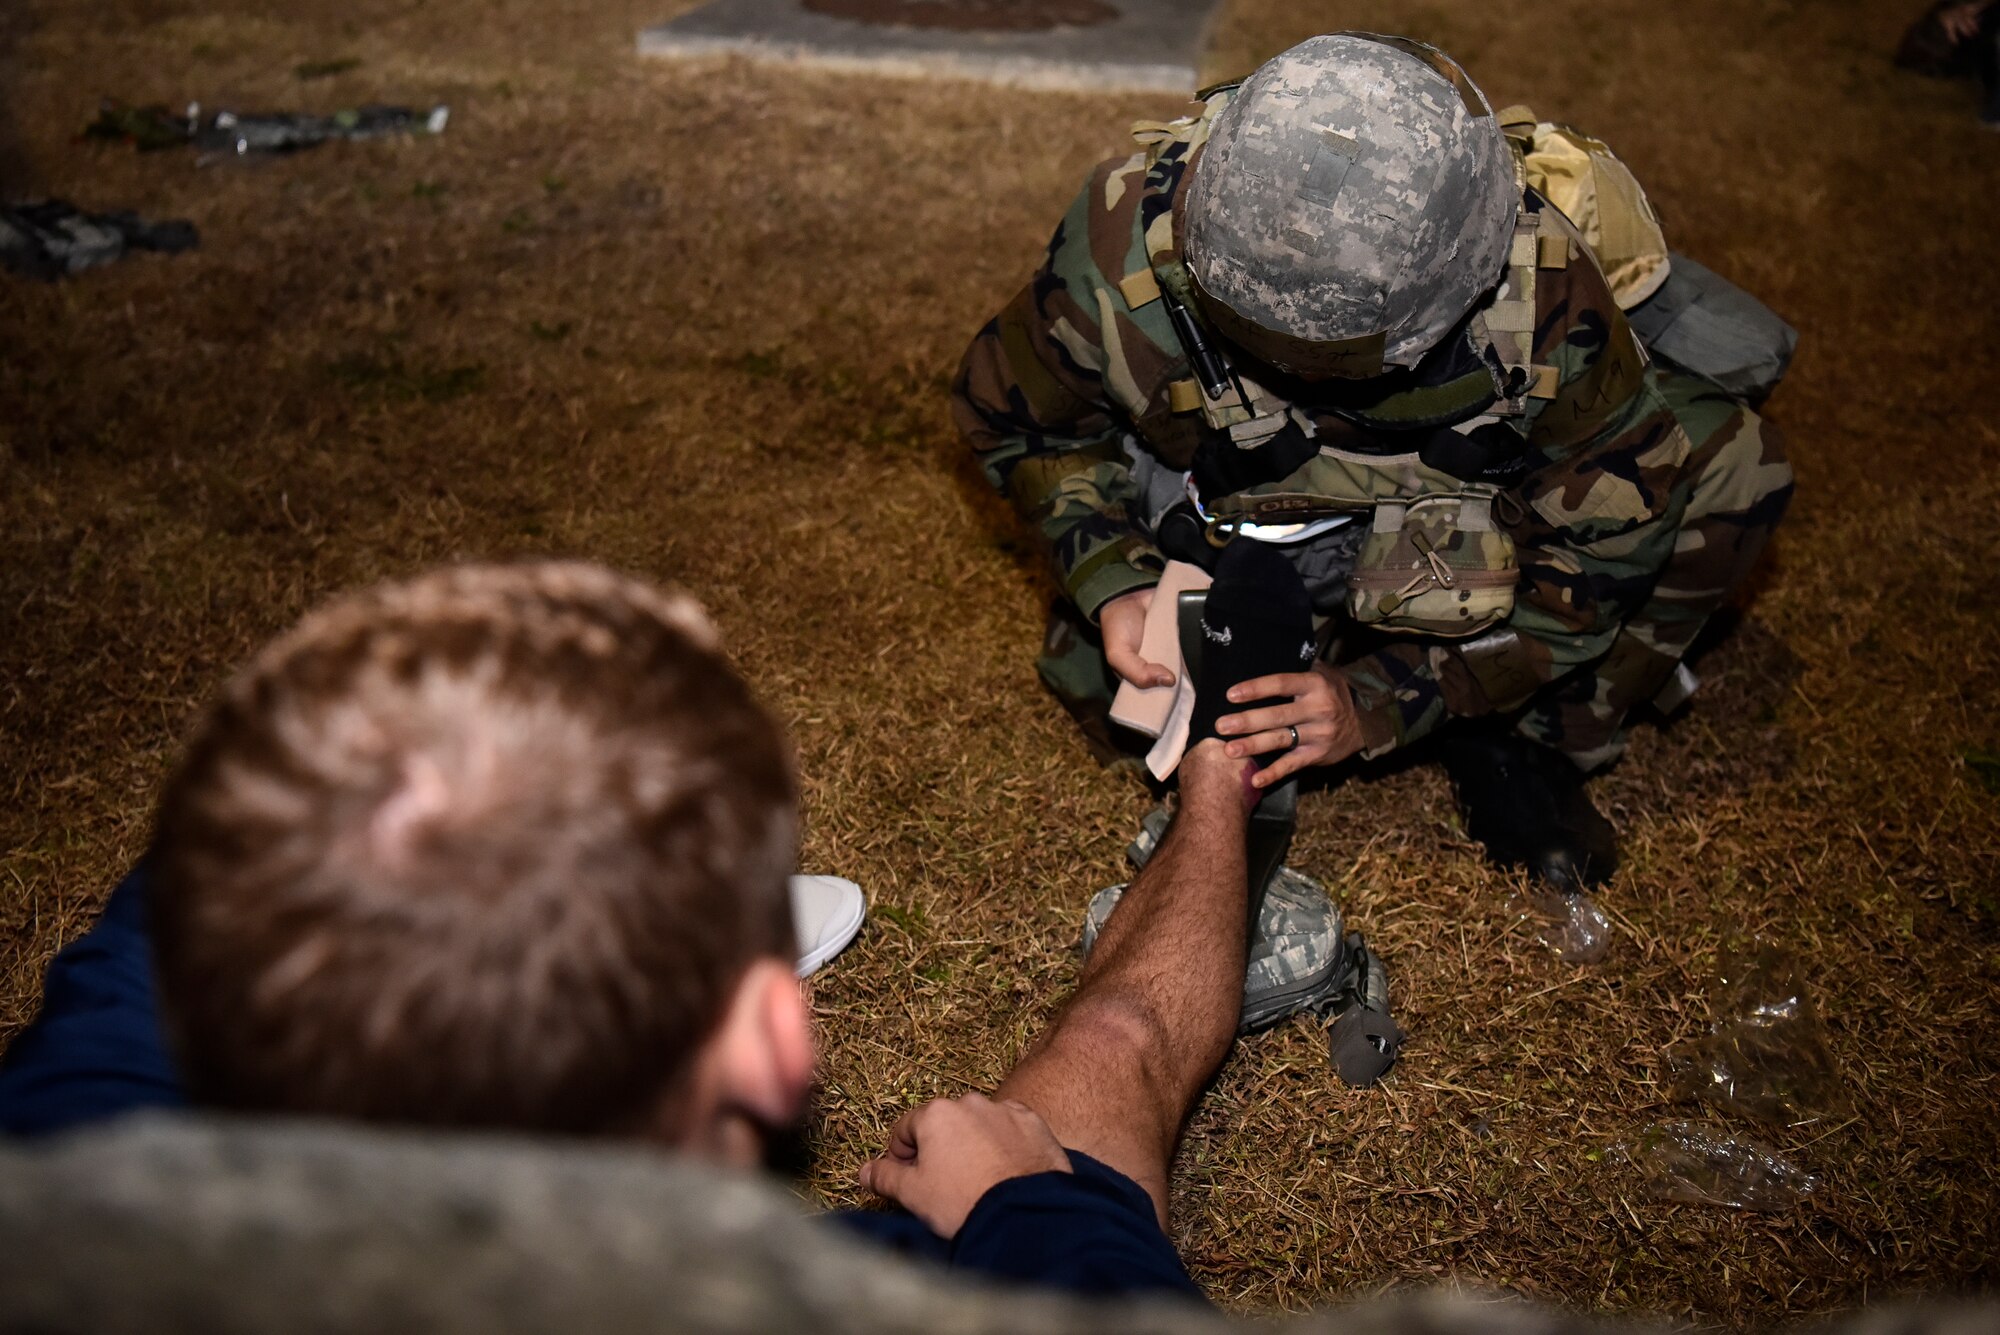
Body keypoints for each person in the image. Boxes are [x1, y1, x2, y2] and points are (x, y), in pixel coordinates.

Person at [0, 560, 1298, 1299]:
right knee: (1115, 1045)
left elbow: (188, 896)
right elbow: (1122, 1072)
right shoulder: (927, 1284)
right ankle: (1221, 774)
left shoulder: (65, 1188)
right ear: (776, 1045)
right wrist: (1025, 1206)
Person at [954, 32, 1795, 892]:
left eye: (1326, 358)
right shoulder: (1120, 238)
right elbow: (1019, 422)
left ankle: (1530, 740)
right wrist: (1111, 572)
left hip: (1444, 536)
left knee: (1732, 467)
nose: (1290, 372)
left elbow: (1608, 541)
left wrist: (1390, 697)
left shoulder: (1538, 295)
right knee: (1128, 710)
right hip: (1225, 513)